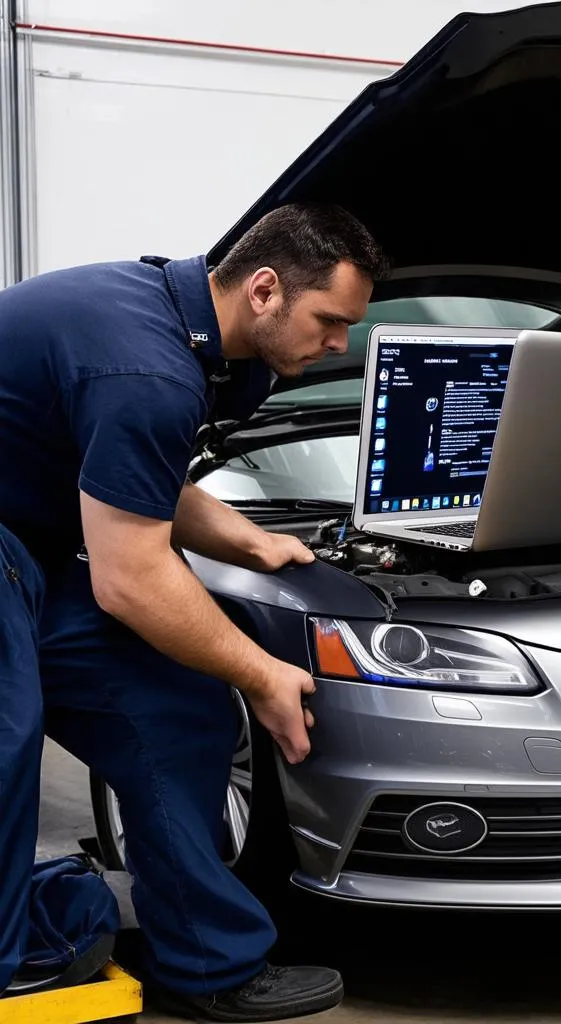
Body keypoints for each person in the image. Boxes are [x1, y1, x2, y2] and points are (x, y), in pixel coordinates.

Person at [0, 203, 389, 1021]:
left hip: (37, 535)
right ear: (265, 288)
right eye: (329, 321)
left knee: (175, 709)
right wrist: (262, 674)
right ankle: (8, 960)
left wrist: (253, 544)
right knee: (7, 732)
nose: (338, 346)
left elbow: (136, 479)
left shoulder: (208, 345)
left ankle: (208, 964)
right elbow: (130, 581)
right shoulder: (145, 365)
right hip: (13, 539)